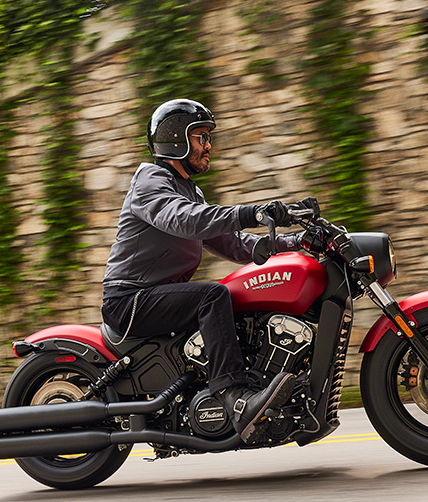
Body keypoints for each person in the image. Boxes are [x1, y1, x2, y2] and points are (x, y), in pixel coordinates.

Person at [101, 98, 312, 442]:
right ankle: (235, 398)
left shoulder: (190, 190)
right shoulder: (150, 181)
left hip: (156, 296)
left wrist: (298, 240)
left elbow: (236, 245)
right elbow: (185, 219)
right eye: (201, 137)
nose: (208, 145)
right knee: (212, 296)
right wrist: (253, 212)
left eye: (207, 137)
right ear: (176, 140)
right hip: (129, 300)